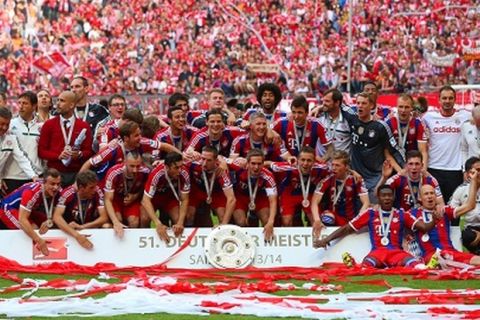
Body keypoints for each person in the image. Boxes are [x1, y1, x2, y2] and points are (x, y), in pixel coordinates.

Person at [314, 185, 439, 269]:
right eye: (383, 195)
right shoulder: (370, 214)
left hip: (396, 252)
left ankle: (427, 266)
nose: (387, 198)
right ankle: (354, 265)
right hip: (377, 252)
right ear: (378, 197)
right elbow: (347, 228)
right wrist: (326, 240)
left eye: (389, 195)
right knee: (365, 268)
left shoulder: (401, 214)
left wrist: (434, 219)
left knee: (416, 266)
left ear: (393, 197)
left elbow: (423, 227)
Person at [411, 180, 480, 266]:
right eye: (426, 194)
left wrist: (473, 181)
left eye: (432, 193)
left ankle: (460, 266)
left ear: (436, 196)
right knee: (445, 261)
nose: (430, 196)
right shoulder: (412, 214)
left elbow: (470, 206)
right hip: (431, 256)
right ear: (420, 198)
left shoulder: (444, 211)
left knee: (477, 260)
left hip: (451, 252)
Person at [81, 121, 180, 180]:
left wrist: (181, 157)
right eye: (136, 135)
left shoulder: (142, 142)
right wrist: (77, 183)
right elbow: (88, 163)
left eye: (140, 134)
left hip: (132, 183)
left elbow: (166, 146)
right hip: (108, 183)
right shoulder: (112, 149)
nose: (140, 137)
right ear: (126, 138)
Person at [349, 92, 401, 201]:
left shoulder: (380, 127)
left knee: (373, 211)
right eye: (358, 103)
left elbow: (392, 151)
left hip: (375, 179)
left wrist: (402, 171)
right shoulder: (351, 120)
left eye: (363, 103)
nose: (360, 106)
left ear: (371, 106)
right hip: (355, 176)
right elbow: (335, 102)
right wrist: (320, 107)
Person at [423, 85, 470, 204]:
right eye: (444, 98)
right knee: (434, 206)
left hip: (455, 169)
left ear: (455, 99)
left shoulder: (464, 115)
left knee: (453, 206)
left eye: (450, 98)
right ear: (439, 100)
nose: (447, 101)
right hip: (433, 168)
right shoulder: (429, 117)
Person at [0, 168, 62, 257]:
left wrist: (50, 221)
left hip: (26, 209)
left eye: (58, 184)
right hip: (7, 208)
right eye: (52, 184)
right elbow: (22, 220)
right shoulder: (32, 192)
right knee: (31, 228)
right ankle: (23, 257)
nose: (56, 187)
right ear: (44, 183)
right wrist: (39, 240)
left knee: (52, 224)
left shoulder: (58, 191)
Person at [38, 91, 93, 186]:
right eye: (57, 100)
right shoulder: (48, 124)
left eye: (62, 101)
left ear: (71, 105)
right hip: (54, 174)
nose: (58, 104)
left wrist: (79, 154)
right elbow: (41, 151)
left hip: (76, 173)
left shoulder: (83, 126)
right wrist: (58, 156)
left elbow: (89, 151)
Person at [311, 150, 369, 236]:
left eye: (337, 165)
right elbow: (314, 202)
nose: (334, 168)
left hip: (349, 218)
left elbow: (366, 202)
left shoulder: (356, 179)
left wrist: (359, 217)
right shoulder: (327, 179)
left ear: (346, 167)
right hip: (333, 216)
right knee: (327, 218)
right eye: (333, 164)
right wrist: (317, 219)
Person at [270, 146, 330, 227]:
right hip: (289, 194)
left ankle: (315, 239)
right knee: (286, 222)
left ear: (314, 162)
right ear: (297, 160)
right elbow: (268, 164)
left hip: (309, 195)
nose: (305, 164)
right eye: (302, 160)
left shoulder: (322, 167)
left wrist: (351, 172)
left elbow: (337, 170)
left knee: (316, 222)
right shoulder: (288, 167)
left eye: (309, 160)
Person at [52, 170, 108, 250]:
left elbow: (104, 217)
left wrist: (83, 226)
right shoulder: (68, 193)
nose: (95, 190)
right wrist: (77, 235)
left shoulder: (98, 192)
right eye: (91, 187)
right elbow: (56, 217)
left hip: (90, 227)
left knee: (107, 226)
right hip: (71, 229)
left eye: (95, 186)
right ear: (81, 188)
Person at [229, 149, 277, 241]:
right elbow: (219, 158)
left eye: (259, 164)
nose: (256, 167)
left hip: (260, 198)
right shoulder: (238, 166)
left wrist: (271, 222)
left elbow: (273, 201)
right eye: (253, 163)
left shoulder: (268, 176)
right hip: (240, 197)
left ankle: (264, 243)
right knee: (241, 222)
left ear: (263, 164)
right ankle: (245, 242)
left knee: (266, 220)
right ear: (247, 163)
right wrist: (222, 164)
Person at [142, 152, 190, 243]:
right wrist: (158, 224)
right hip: (154, 199)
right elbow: (146, 200)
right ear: (167, 167)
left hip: (170, 198)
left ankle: (176, 245)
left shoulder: (184, 173)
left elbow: (185, 199)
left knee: (179, 218)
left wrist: (180, 222)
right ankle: (144, 243)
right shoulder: (157, 174)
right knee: (144, 218)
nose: (180, 170)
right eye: (176, 168)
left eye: (181, 166)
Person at [3, 91, 44, 194]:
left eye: (25, 103)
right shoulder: (9, 125)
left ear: (34, 106)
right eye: (19, 103)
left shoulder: (41, 126)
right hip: (12, 176)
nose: (21, 106)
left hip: (34, 176)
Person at [377, 150, 444, 211]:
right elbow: (377, 194)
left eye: (417, 164)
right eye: (411, 164)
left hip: (423, 219)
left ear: (422, 165)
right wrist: (384, 177)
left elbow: (441, 204)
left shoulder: (430, 180)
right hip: (402, 218)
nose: (414, 167)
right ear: (406, 165)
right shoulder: (398, 178)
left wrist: (438, 208)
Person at [103, 151, 150, 237]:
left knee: (134, 223)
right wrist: (115, 222)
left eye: (138, 166)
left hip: (132, 201)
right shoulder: (113, 173)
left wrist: (136, 196)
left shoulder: (145, 172)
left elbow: (147, 190)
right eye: (132, 166)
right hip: (115, 201)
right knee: (118, 220)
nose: (135, 170)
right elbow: (107, 199)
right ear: (125, 162)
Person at [272, 95, 332, 161]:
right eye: (294, 112)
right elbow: (267, 131)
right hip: (289, 164)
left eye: (300, 112)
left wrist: (323, 161)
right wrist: (273, 132)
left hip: (308, 165)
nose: (296, 116)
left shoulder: (316, 124)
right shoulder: (282, 122)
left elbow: (330, 148)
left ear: (307, 113)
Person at [188, 146, 236, 225]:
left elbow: (232, 199)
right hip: (197, 191)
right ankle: (189, 236)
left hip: (216, 193)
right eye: (203, 159)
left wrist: (224, 224)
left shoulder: (222, 171)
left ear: (216, 161)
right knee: (189, 215)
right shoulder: (193, 163)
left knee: (222, 216)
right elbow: (176, 160)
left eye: (209, 160)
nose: (204, 163)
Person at [385, 94, 428, 169]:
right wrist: (399, 171)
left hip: (413, 166)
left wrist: (423, 170)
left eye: (406, 107)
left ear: (411, 108)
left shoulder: (417, 124)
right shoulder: (390, 123)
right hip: (394, 166)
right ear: (396, 107)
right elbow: (386, 152)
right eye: (401, 107)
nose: (403, 110)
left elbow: (423, 151)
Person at [450, 157, 480, 255]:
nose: (479, 174)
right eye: (477, 171)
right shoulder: (461, 190)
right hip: (472, 229)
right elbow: (451, 212)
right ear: (468, 174)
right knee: (467, 236)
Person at [314, 88, 355, 154]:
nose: (323, 104)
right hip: (322, 162)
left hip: (341, 162)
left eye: (327, 101)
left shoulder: (348, 119)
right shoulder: (318, 115)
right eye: (323, 101)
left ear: (337, 103)